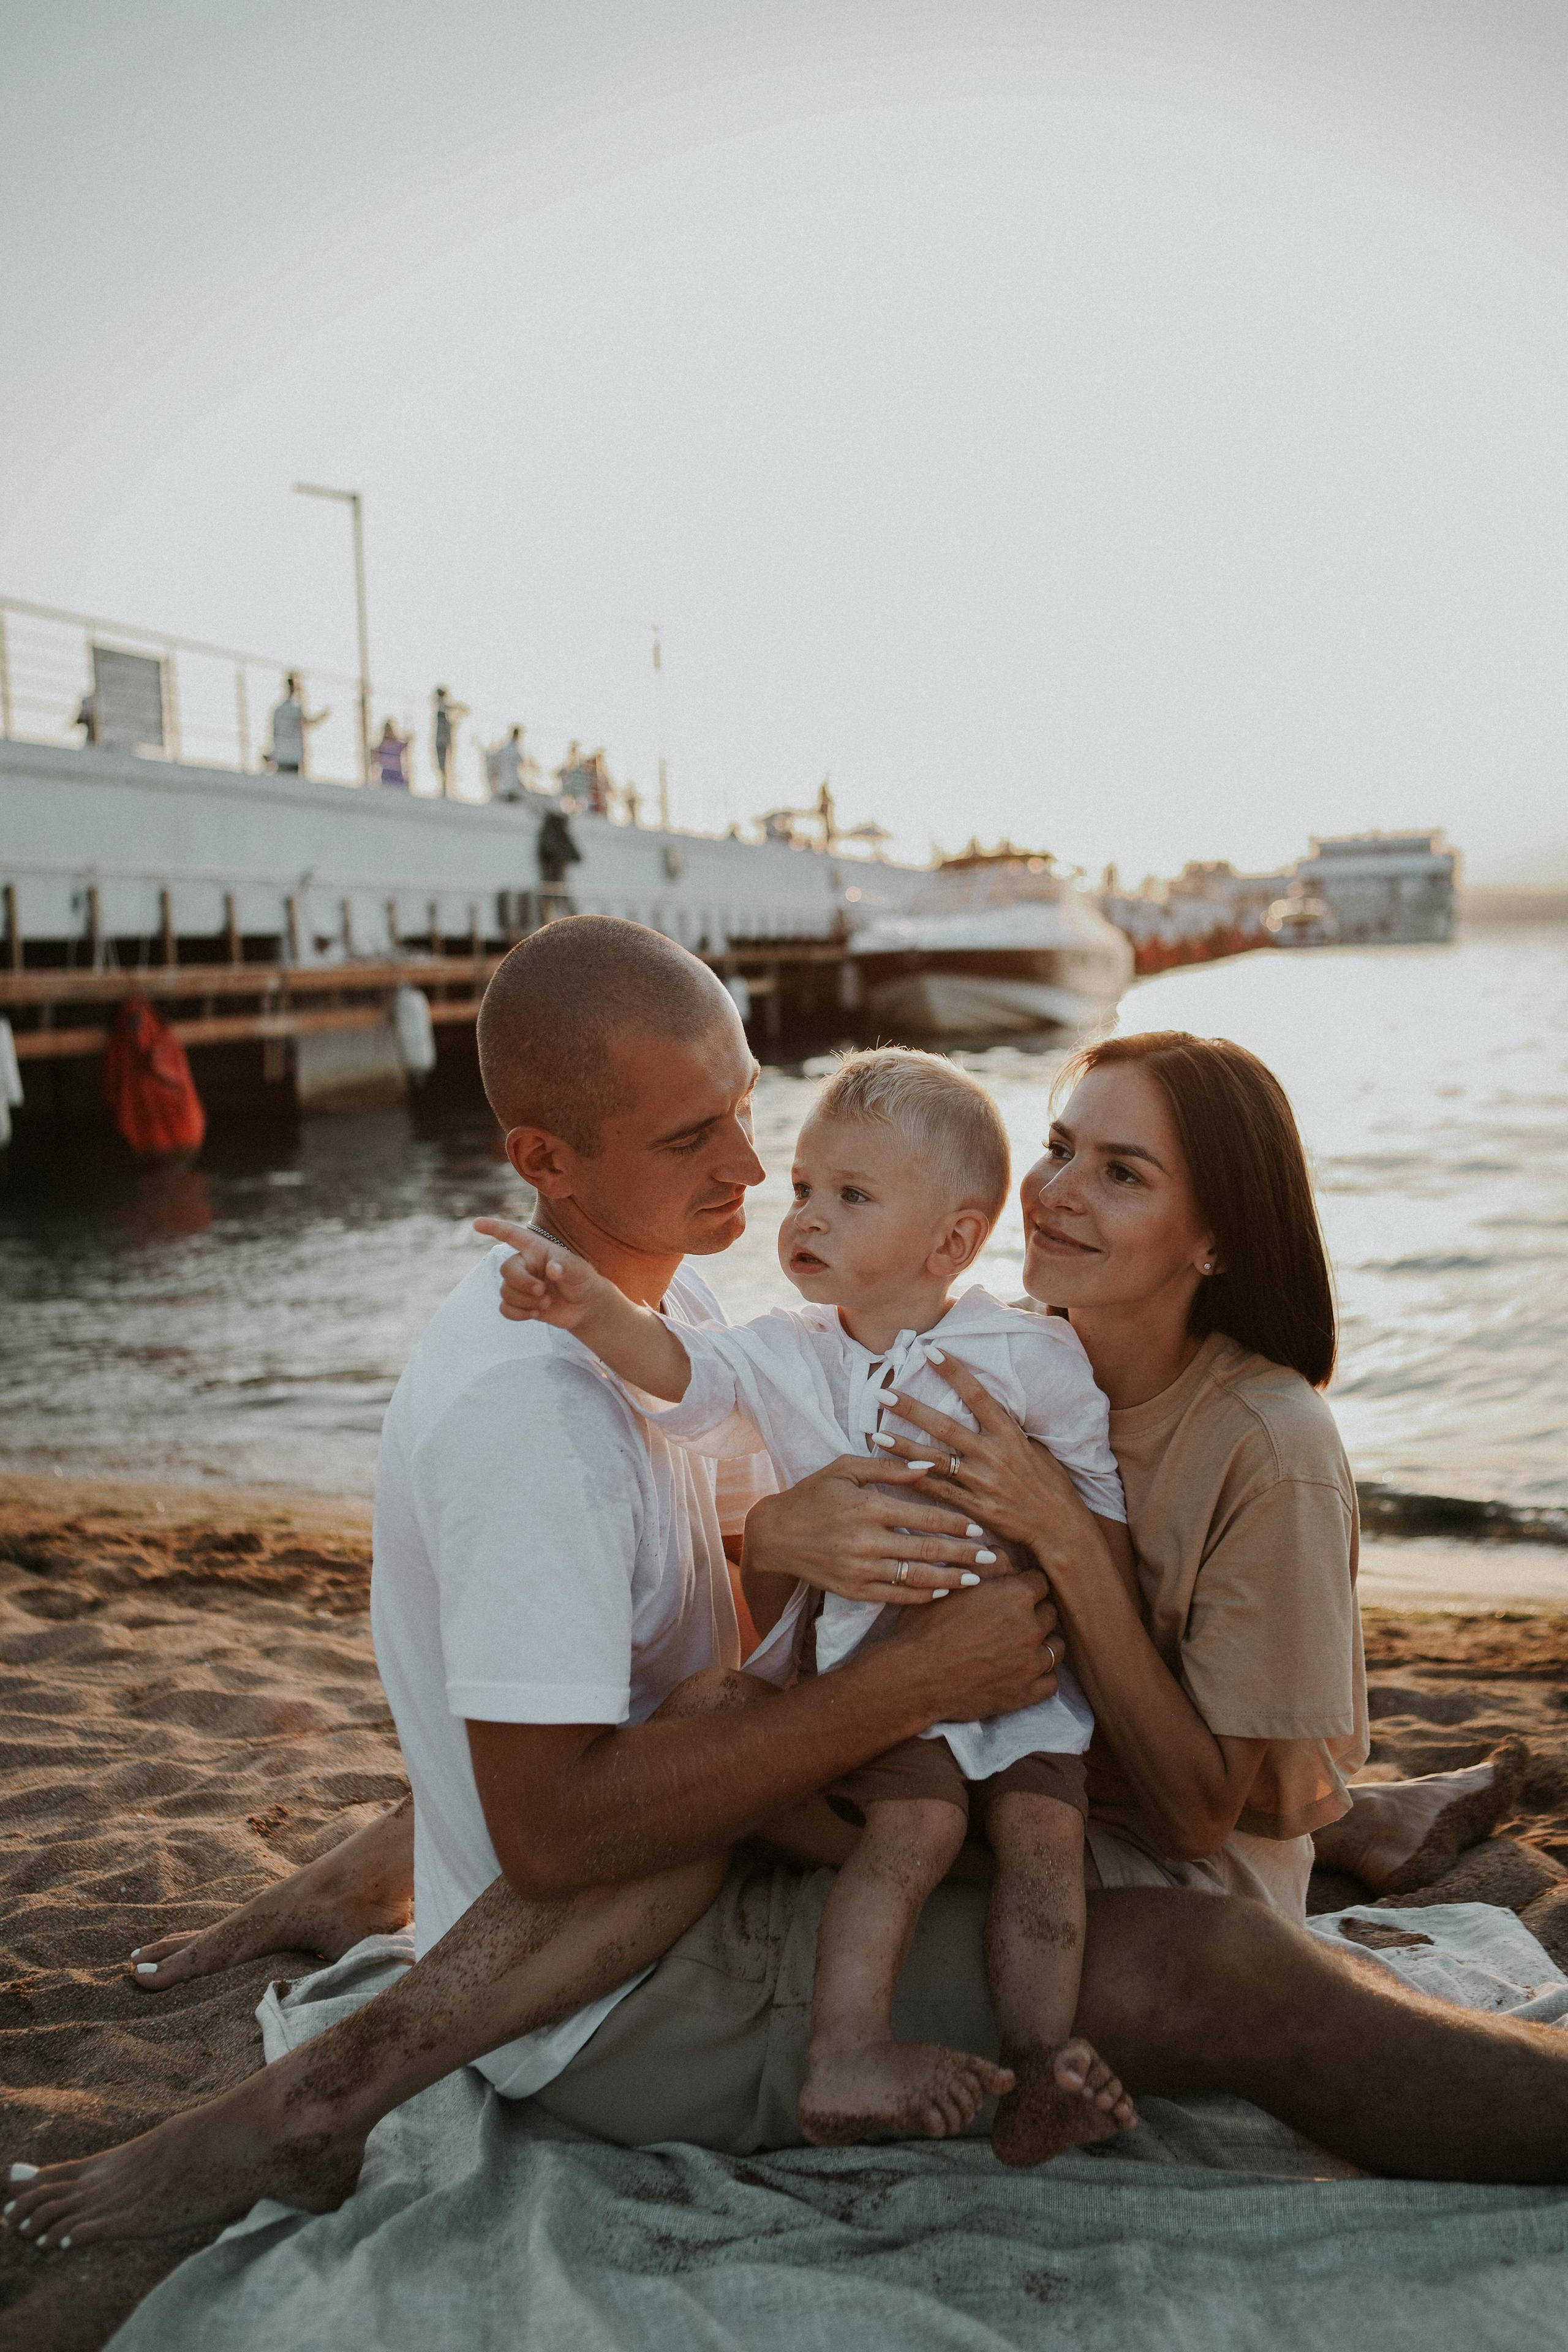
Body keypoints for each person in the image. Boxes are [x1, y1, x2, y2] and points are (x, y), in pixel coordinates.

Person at [10, 949, 1566, 2255]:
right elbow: (598, 1802)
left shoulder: (724, 1296)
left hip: (858, 1818)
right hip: (624, 1976)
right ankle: (316, 2089)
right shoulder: (538, 1411)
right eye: (699, 1136)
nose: (757, 1180)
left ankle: (1354, 1821)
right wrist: (883, 1642)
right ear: (545, 1164)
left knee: (736, 1723)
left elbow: (750, 1596)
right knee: (737, 1739)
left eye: (751, 1113)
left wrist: (806, 1549)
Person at [478, 1046, 1139, 2164]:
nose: (807, 1217)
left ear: (951, 1244)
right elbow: (680, 1367)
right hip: (874, 1672)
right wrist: (589, 1311)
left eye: (852, 1196)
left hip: (1023, 1676)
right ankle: (846, 2050)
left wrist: (1057, 1557)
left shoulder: (1033, 1354)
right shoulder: (783, 1352)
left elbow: (1096, 1505)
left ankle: (1042, 2067)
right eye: (803, 1188)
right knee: (916, 1828)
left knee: (1046, 1835)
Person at [268, 674, 330, 777]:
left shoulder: (278, 710)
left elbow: (274, 734)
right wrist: (323, 716)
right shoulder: (295, 710)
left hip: (282, 755)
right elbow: (309, 722)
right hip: (291, 756)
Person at [431, 687, 470, 796]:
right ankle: (444, 788)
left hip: (444, 740)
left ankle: (447, 789)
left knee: (447, 764)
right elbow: (452, 707)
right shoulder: (441, 705)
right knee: (443, 765)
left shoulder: (441, 706)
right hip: (442, 740)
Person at [374, 718, 412, 789]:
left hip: (397, 773)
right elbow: (378, 757)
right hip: (387, 772)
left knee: (399, 789)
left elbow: (405, 744)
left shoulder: (396, 744)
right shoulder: (383, 744)